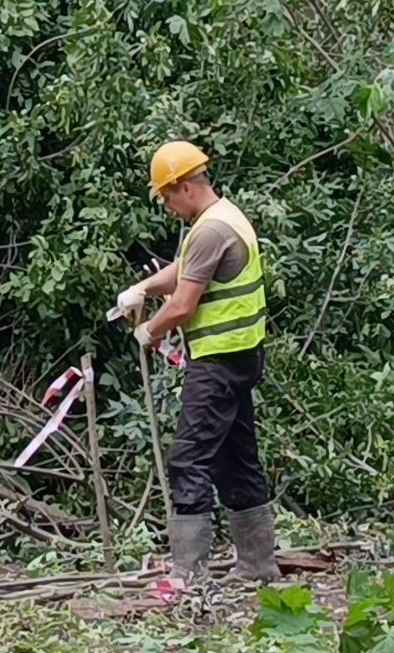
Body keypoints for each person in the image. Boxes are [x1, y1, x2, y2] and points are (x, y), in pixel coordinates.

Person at [112, 140, 280, 586]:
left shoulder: (208, 230)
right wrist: (144, 289)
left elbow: (184, 303)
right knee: (236, 458)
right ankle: (258, 565)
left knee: (189, 460)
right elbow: (187, 269)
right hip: (241, 355)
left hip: (218, 362)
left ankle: (189, 573)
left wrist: (151, 330)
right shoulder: (224, 217)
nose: (166, 205)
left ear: (184, 187)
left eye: (166, 196)